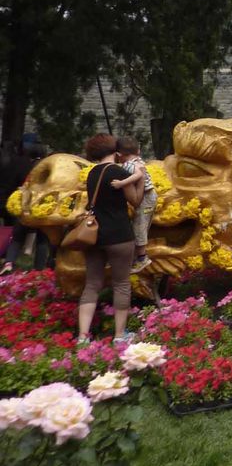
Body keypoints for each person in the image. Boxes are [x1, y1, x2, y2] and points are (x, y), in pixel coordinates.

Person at [77, 134, 143, 345]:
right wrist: (140, 179)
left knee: (92, 284)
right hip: (119, 235)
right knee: (122, 284)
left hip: (94, 236)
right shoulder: (119, 172)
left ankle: (82, 337)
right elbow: (135, 201)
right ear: (115, 150)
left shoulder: (92, 174)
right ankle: (119, 336)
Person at [0, 142, 50, 275]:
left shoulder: (23, 165)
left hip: (25, 206)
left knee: (17, 237)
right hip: (42, 207)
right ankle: (38, 271)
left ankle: (9, 263)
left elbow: (16, 185)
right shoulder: (48, 167)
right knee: (42, 239)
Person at [110, 136, 157, 273]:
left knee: (139, 226)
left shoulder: (129, 165)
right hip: (150, 196)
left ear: (118, 155)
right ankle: (139, 256)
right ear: (138, 151)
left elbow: (138, 175)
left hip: (146, 197)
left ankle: (142, 258)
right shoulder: (138, 160)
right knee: (141, 224)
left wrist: (121, 184)